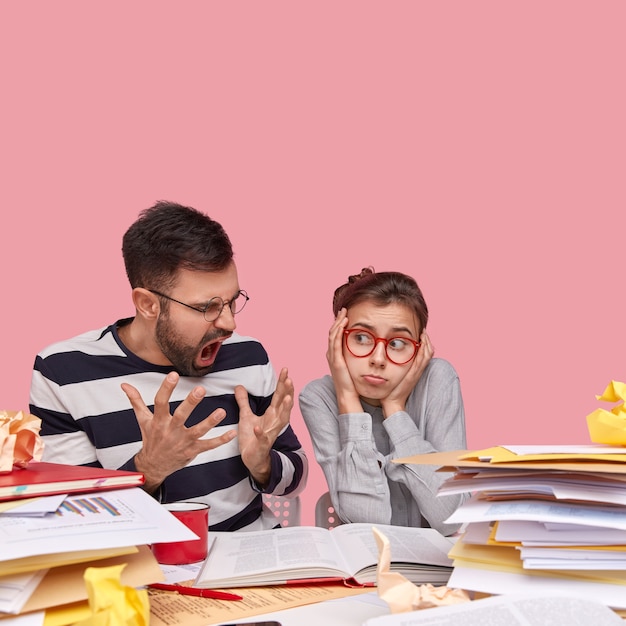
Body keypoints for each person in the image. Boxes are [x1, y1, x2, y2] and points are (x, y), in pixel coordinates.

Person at [30, 201, 307, 531]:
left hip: (252, 562)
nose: (230, 323)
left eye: (233, 301)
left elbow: (295, 477)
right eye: (208, 307)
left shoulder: (248, 355)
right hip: (143, 568)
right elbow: (77, 519)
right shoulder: (64, 372)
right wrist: (150, 468)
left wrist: (262, 464)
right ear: (147, 304)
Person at [299, 267, 465, 535]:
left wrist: (395, 408)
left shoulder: (438, 379)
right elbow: (368, 524)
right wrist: (347, 399)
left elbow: (450, 518)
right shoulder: (319, 397)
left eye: (398, 343)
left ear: (419, 349)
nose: (378, 359)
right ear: (337, 340)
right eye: (362, 338)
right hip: (364, 568)